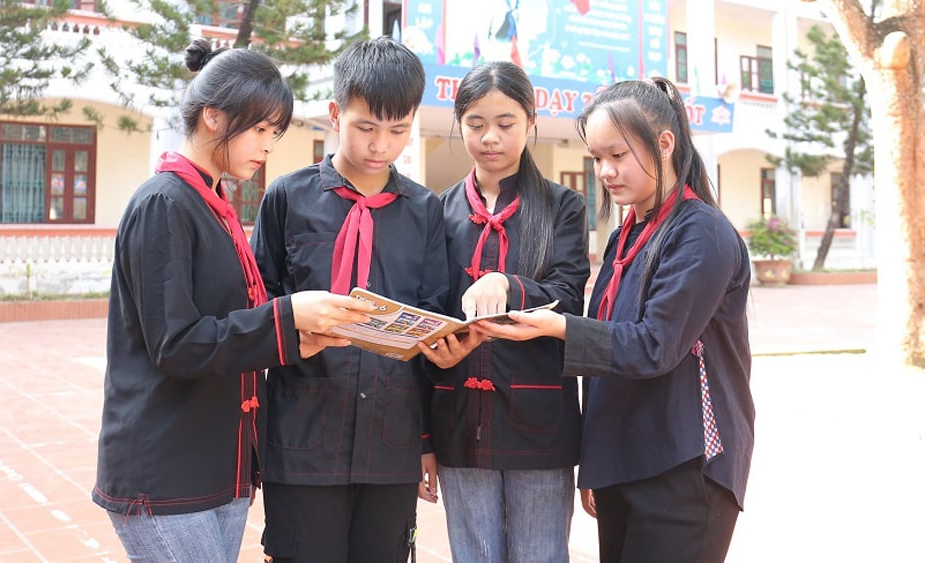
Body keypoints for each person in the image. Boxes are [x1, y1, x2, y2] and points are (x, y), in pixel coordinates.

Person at [92, 39, 375, 563]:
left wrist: (301, 335)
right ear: (214, 118)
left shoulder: (212, 201)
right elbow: (175, 343)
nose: (267, 145)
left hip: (219, 462)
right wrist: (286, 319)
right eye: (260, 129)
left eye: (275, 133)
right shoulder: (164, 204)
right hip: (166, 470)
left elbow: (231, 323)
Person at [476, 77, 755, 563]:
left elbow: (652, 346)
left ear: (664, 143)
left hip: (685, 469)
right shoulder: (626, 234)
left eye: (618, 156)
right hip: (628, 464)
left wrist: (557, 327)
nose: (605, 171)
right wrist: (599, 467)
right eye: (597, 158)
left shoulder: (701, 233)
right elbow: (609, 353)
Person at [250, 36, 447, 563]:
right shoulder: (287, 198)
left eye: (398, 130)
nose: (381, 144)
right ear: (336, 113)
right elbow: (255, 309)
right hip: (303, 439)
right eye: (366, 127)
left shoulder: (425, 212)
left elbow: (432, 317)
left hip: (392, 442)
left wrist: (426, 438)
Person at [417, 61, 589, 562]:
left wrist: (507, 284)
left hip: (540, 423)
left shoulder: (565, 207)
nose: (490, 137)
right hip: (459, 420)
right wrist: (424, 436)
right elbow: (426, 311)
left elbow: (571, 297)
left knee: (541, 554)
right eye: (475, 124)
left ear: (532, 122)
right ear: (459, 125)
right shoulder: (437, 212)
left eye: (506, 123)